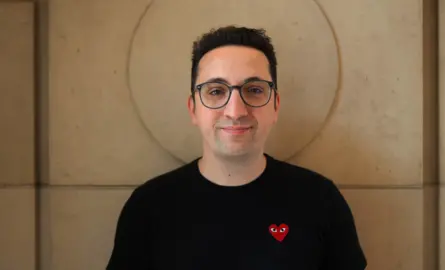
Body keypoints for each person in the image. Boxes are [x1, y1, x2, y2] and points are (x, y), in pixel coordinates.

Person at [106, 25, 367, 270]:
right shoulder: (148, 207)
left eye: (253, 89)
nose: (235, 111)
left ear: (275, 105)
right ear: (193, 108)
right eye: (216, 91)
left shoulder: (320, 200)